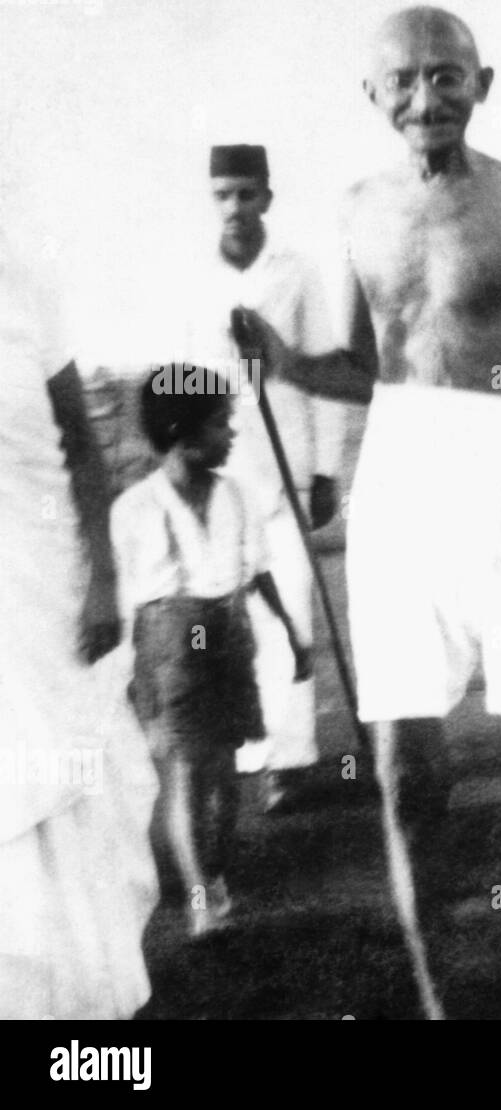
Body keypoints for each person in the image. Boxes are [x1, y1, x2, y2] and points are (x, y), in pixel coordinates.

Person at [251, 6, 501, 1016]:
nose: (426, 97)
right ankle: (437, 995)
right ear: (371, 95)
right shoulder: (354, 209)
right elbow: (361, 367)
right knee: (402, 760)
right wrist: (286, 361)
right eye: (405, 80)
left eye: (446, 76)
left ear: (483, 81)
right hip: (401, 470)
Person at [0, 236, 159, 1018]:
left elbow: (84, 450)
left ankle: (92, 1022)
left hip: (45, 584)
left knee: (73, 792)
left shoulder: (23, 277)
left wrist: (101, 576)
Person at [111, 371, 311, 938]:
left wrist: (293, 636)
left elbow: (260, 571)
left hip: (226, 636)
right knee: (185, 776)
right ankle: (199, 897)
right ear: (183, 430)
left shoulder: (237, 496)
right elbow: (128, 609)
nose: (232, 432)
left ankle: (216, 873)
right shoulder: (135, 508)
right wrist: (131, 680)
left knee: (226, 777)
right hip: (168, 648)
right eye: (222, 421)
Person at [181, 144, 348, 813]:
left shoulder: (298, 270)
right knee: (233, 612)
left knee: (290, 610)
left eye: (247, 193)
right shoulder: (197, 277)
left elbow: (328, 370)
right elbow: (183, 379)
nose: (235, 207)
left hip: (289, 467)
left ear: (267, 199)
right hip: (223, 472)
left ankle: (292, 755)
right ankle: (250, 744)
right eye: (223, 194)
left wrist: (328, 469)